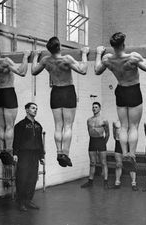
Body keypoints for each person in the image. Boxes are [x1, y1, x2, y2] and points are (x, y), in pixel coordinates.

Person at [95, 32, 146, 170]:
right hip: (133, 90)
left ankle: (125, 155)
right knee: (133, 126)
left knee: (123, 126)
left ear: (112, 46)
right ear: (124, 44)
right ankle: (132, 155)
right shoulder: (133, 57)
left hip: (120, 90)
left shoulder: (107, 59)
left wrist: (99, 54)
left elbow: (97, 71)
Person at [31, 37, 89, 167]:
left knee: (58, 125)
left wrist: (35, 57)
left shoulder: (46, 60)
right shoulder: (66, 59)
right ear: (60, 47)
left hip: (56, 92)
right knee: (68, 126)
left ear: (49, 50)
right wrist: (84, 54)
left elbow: (33, 71)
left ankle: (59, 152)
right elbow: (83, 70)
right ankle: (65, 153)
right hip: (67, 91)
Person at [13, 102, 45, 211]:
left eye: (36, 108)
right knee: (22, 178)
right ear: (27, 110)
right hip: (24, 154)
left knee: (32, 179)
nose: (35, 110)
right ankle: (21, 202)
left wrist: (41, 156)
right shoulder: (20, 125)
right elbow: (16, 141)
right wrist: (15, 154)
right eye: (33, 108)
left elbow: (40, 143)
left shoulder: (38, 126)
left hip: (34, 155)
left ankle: (28, 200)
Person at [81, 102, 110, 189]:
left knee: (103, 162)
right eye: (93, 107)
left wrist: (103, 143)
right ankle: (90, 181)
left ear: (100, 108)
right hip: (92, 141)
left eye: (96, 107)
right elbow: (89, 131)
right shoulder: (89, 120)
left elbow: (108, 133)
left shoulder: (104, 120)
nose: (94, 109)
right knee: (92, 163)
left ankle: (105, 182)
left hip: (101, 141)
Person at [112, 119, 139, 191]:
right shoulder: (115, 122)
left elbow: (134, 135)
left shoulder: (131, 122)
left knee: (131, 164)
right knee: (118, 164)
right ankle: (117, 182)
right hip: (118, 144)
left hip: (128, 144)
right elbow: (114, 135)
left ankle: (133, 183)